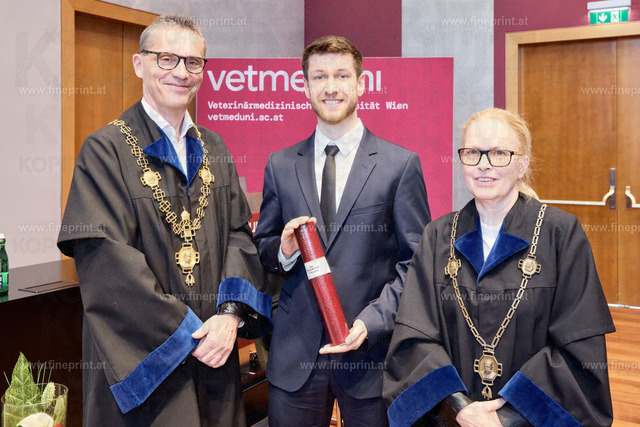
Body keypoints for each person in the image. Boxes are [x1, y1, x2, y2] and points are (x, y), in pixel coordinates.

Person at [57, 15, 272, 426]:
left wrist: (229, 316)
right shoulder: (105, 150)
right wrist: (189, 334)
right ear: (140, 64)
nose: (181, 73)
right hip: (146, 363)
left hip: (216, 351)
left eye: (193, 62)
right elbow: (107, 262)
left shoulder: (214, 146)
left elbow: (238, 236)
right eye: (167, 58)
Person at [383, 108, 615, 426]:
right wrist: (460, 408)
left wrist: (504, 419)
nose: (484, 165)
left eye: (499, 154)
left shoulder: (561, 234)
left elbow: (579, 348)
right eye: (472, 153)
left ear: (523, 164)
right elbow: (414, 337)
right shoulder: (437, 236)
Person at [254, 35, 431, 426]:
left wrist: (371, 323)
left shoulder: (399, 165)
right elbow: (263, 247)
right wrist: (283, 251)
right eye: (319, 77)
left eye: (341, 75)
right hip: (295, 358)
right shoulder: (280, 165)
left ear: (361, 84)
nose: (330, 87)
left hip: (370, 356)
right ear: (305, 88)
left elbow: (416, 265)